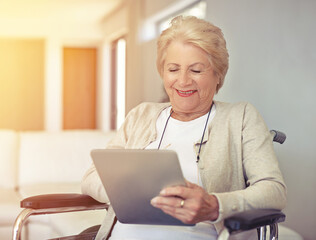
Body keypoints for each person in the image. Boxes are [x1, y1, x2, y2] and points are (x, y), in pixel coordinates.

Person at [81, 15, 286, 240]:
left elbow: (273, 190)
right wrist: (129, 193)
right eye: (173, 69)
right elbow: (92, 177)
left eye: (196, 70)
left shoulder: (241, 116)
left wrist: (215, 205)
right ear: (162, 72)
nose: (183, 81)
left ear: (218, 75)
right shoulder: (141, 115)